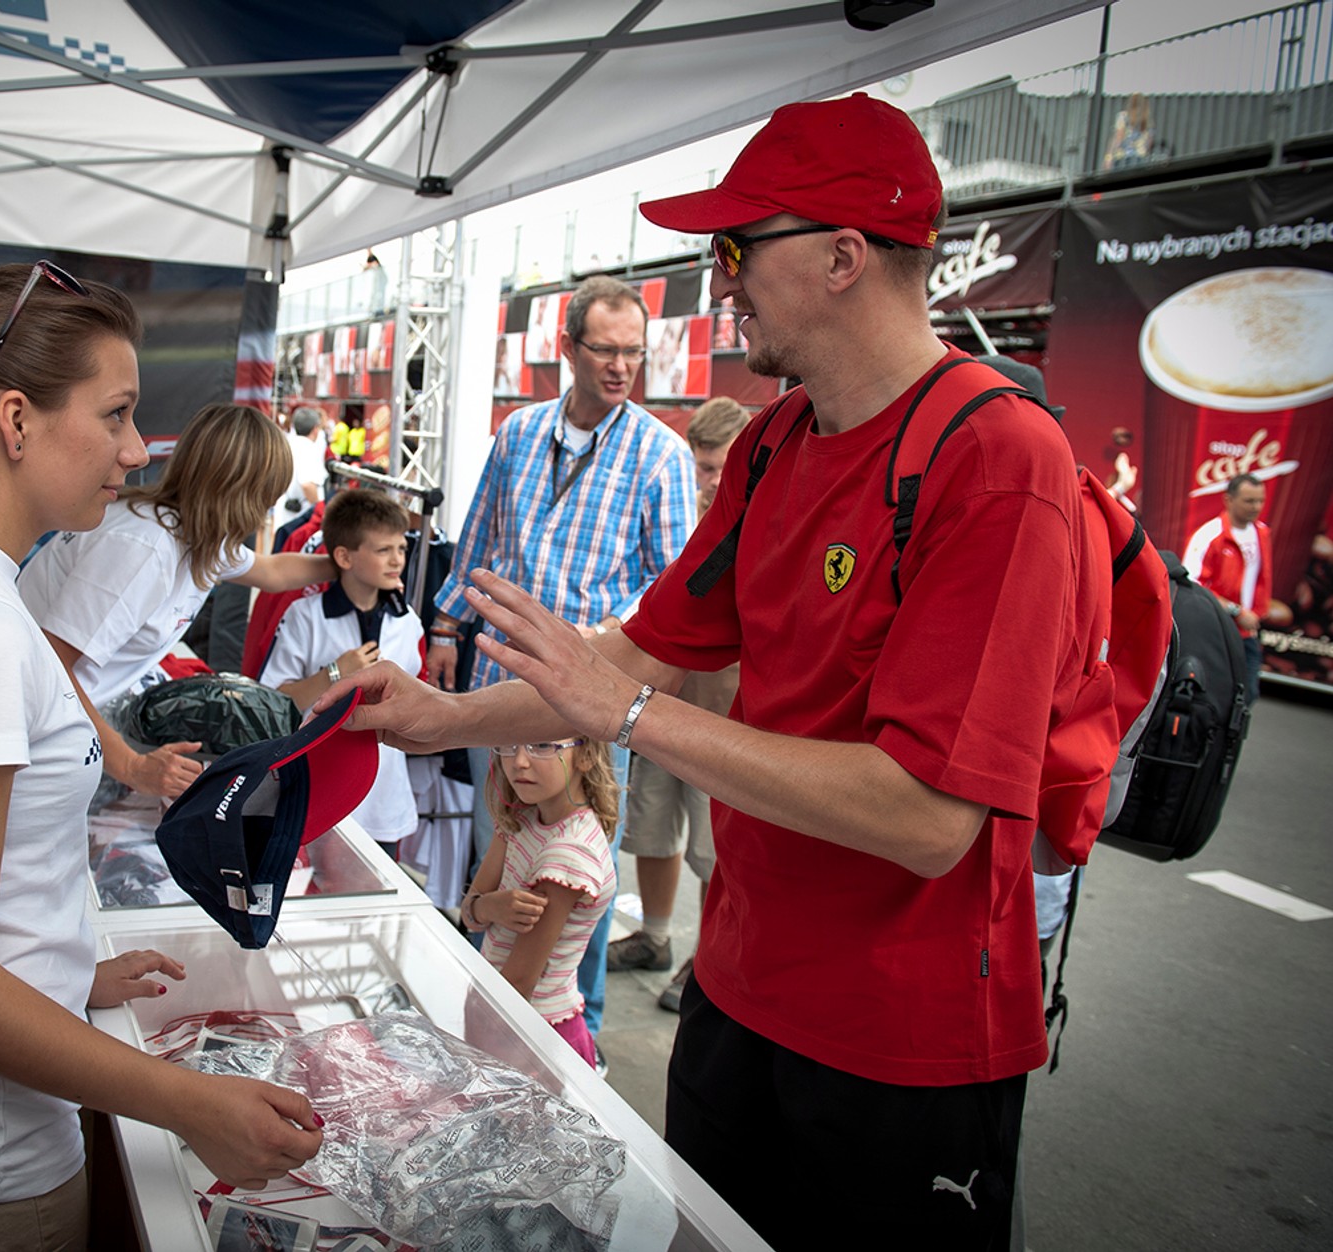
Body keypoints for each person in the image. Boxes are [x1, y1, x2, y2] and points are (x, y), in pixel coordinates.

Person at [321, 94, 1097, 1250]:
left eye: (735, 246)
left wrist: (627, 716)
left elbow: (929, 815)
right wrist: (434, 720)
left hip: (899, 1046)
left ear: (841, 258)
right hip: (739, 994)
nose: (715, 277)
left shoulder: (996, 459)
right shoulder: (776, 444)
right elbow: (636, 652)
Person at [0, 258, 323, 1249]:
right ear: (13, 421)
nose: (138, 450)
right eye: (116, 414)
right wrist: (183, 1099)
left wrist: (66, 974)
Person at [426, 273, 693, 1056]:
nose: (620, 367)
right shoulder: (517, 433)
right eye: (605, 350)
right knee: (502, 856)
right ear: (566, 348)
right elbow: (478, 540)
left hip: (586, 707)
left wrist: (597, 637)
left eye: (634, 354)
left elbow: (673, 593)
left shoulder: (662, 454)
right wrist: (445, 623)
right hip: (499, 690)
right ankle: (487, 1029)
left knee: (578, 881)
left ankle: (581, 1038)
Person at [15, 402, 334, 800]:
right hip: (31, 745)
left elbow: (271, 572)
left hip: (60, 728)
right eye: (264, 496)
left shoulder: (195, 534)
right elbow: (51, 668)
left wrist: (342, 564)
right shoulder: (144, 549)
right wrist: (133, 767)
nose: (266, 512)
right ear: (238, 491)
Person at [606, 397, 748, 1015]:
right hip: (661, 701)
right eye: (703, 465)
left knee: (718, 851)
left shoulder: (758, 518)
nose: (709, 479)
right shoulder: (679, 513)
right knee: (652, 832)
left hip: (726, 714)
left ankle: (709, 956)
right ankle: (656, 936)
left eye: (719, 466)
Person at [260, 487, 422, 858]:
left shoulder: (408, 621)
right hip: (318, 790)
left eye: (401, 548)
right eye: (383, 550)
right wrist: (335, 673)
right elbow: (273, 700)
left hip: (385, 797)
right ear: (344, 557)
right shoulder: (305, 615)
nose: (396, 560)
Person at [462, 737, 619, 1069]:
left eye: (543, 745)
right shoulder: (522, 817)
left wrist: (483, 908)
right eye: (510, 744)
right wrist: (490, 907)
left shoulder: (568, 854)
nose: (519, 761)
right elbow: (470, 914)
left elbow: (520, 981)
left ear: (587, 755)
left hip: (533, 1035)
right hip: (501, 1015)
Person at [1182, 472, 1272, 704]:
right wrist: (1236, 611)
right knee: (1210, 699)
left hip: (1246, 634)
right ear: (1229, 500)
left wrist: (1257, 612)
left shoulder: (1261, 533)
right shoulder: (1209, 536)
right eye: (1249, 501)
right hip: (1215, 634)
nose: (1256, 507)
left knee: (1247, 696)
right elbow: (1192, 586)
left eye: (1260, 500)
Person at [279, 404, 328, 519]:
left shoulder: (288, 445)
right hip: (302, 515)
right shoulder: (308, 449)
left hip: (286, 510)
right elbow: (307, 484)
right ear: (315, 429)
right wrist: (320, 513)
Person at [1103, 92, 1155, 171]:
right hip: (1140, 160)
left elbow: (1118, 140)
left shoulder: (1123, 116)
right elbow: (1148, 146)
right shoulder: (1149, 122)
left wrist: (1108, 156)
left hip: (1122, 159)